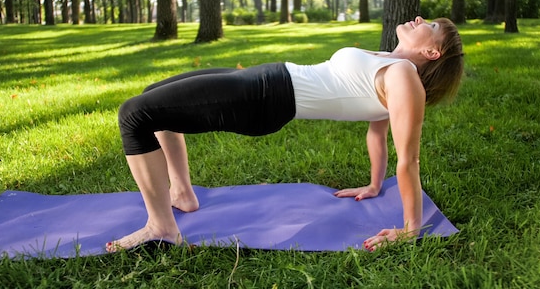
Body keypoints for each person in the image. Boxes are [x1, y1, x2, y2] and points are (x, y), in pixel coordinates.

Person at [107, 16, 464, 252]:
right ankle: (183, 194)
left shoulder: (404, 77)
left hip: (266, 97)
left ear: (432, 52)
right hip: (269, 79)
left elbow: (409, 158)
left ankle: (162, 227)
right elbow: (377, 131)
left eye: (430, 24)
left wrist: (411, 228)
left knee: (134, 114)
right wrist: (373, 185)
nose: (419, 19)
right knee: (151, 96)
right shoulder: (390, 61)